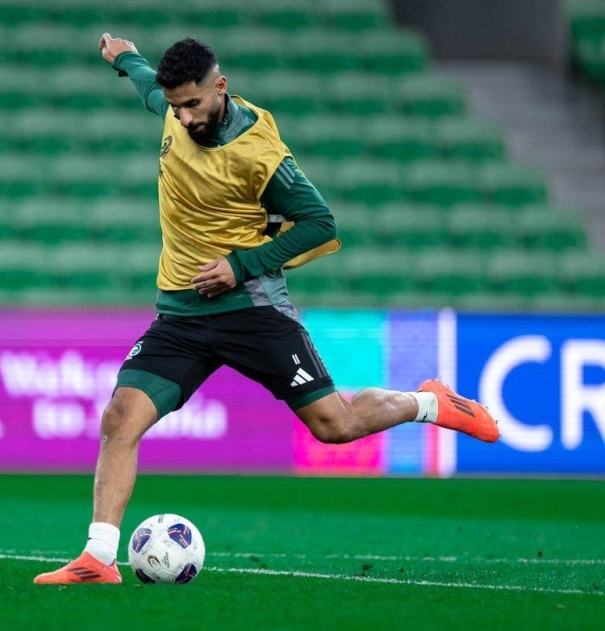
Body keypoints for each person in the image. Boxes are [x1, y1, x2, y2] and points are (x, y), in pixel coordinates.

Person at [33, 34, 499, 585]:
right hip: (180, 315)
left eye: (193, 104)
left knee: (336, 426)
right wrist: (126, 59)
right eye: (176, 107)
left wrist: (241, 265)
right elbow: (148, 86)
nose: (184, 117)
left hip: (251, 310)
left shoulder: (260, 152)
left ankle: (429, 402)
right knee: (119, 418)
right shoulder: (174, 109)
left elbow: (320, 223)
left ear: (220, 88)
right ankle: (99, 559)